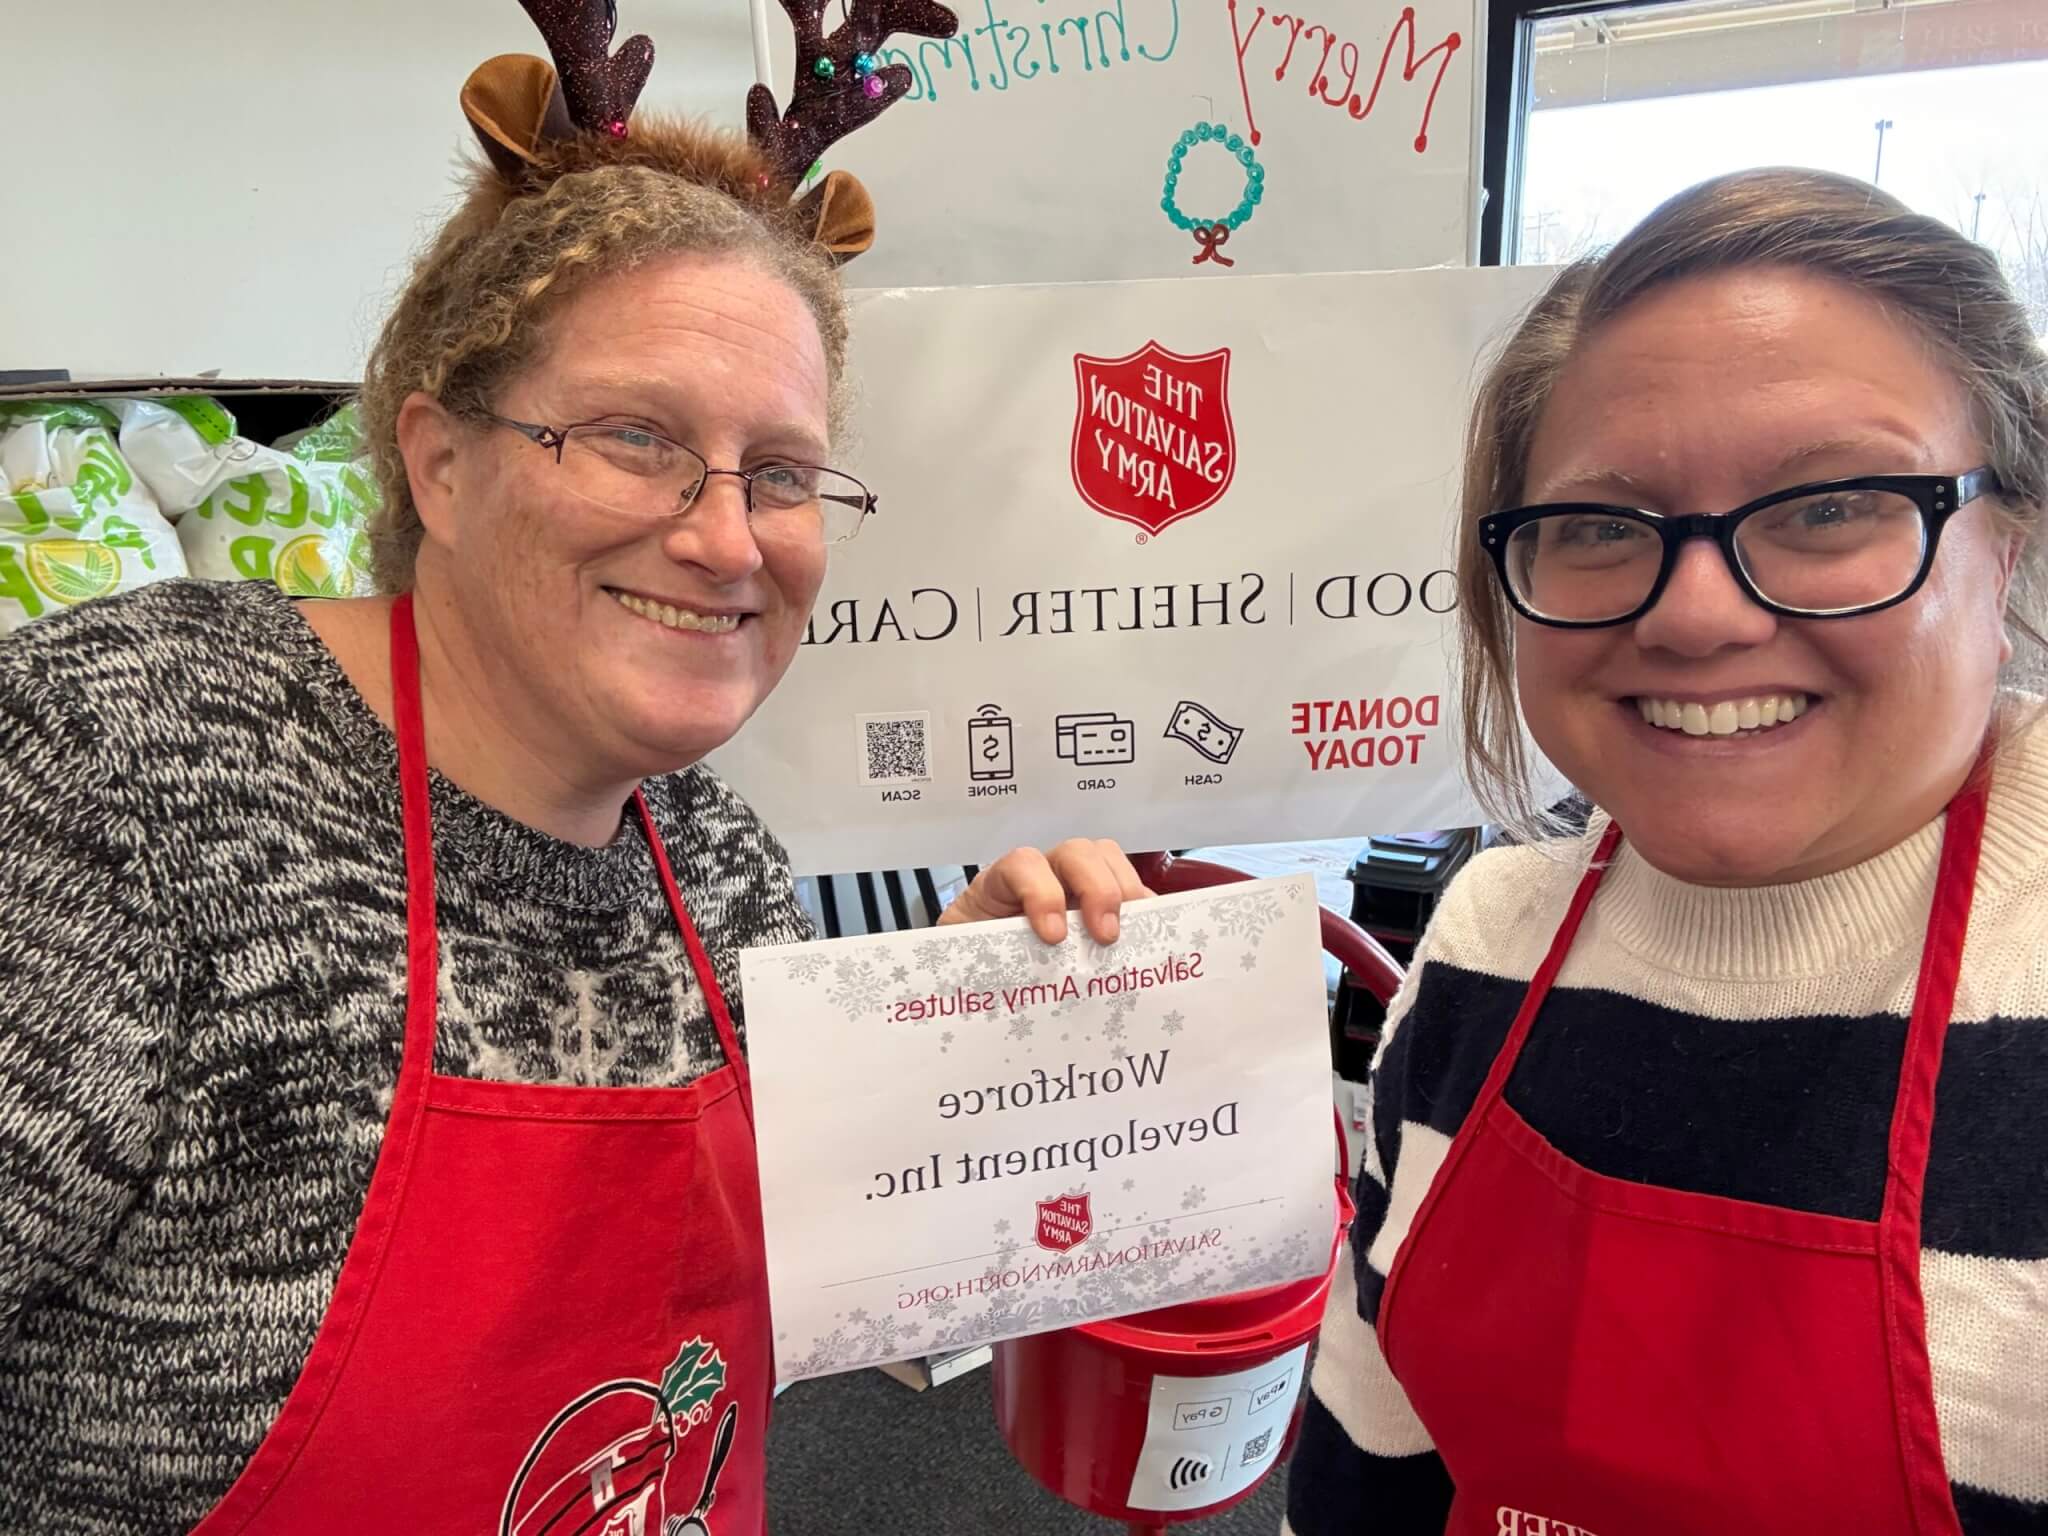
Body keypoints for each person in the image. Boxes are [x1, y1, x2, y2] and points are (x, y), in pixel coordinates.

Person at [0, 4, 1144, 1532]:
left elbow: (758, 1319)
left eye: (782, 474)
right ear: (439, 461)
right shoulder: (124, 769)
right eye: (633, 437)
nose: (727, 537)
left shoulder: (721, 864)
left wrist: (948, 1037)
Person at [1285, 168, 2047, 1534]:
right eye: (1596, 527)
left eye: (1828, 506)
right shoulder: (1484, 947)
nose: (1696, 616)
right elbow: (1369, 1468)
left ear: (2010, 543)